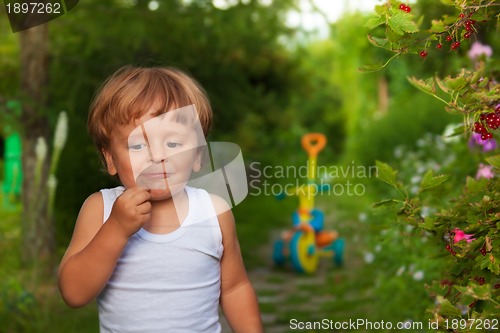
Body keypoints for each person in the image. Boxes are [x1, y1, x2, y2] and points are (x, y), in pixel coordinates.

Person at [58, 65, 263, 333]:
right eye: (138, 145)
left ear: (198, 155)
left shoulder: (214, 212)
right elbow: (74, 293)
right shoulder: (101, 209)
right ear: (110, 158)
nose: (157, 156)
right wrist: (116, 229)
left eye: (173, 144)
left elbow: (235, 288)